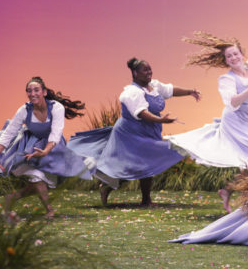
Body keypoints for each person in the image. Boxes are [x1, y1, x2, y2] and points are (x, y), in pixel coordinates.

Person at [165, 32, 248, 212]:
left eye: (236, 54)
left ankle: (228, 191)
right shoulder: (226, 79)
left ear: (242, 55)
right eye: (229, 56)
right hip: (236, 121)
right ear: (225, 61)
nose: (233, 58)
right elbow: (232, 102)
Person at [68, 58, 200, 206]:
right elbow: (142, 113)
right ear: (135, 73)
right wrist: (161, 120)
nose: (149, 72)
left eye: (150, 69)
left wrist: (190, 92)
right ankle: (107, 187)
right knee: (132, 166)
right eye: (145, 70)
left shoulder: (153, 86)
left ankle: (145, 200)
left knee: (147, 164)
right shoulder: (131, 93)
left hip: (148, 132)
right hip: (130, 134)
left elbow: (170, 90)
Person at [0, 77, 93, 219]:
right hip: (28, 148)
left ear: (44, 92)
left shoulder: (56, 107)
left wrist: (46, 151)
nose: (32, 93)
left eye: (36, 90)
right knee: (37, 177)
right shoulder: (24, 110)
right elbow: (10, 132)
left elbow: (56, 132)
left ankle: (13, 198)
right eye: (29, 91)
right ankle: (49, 211)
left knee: (48, 181)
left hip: (52, 148)